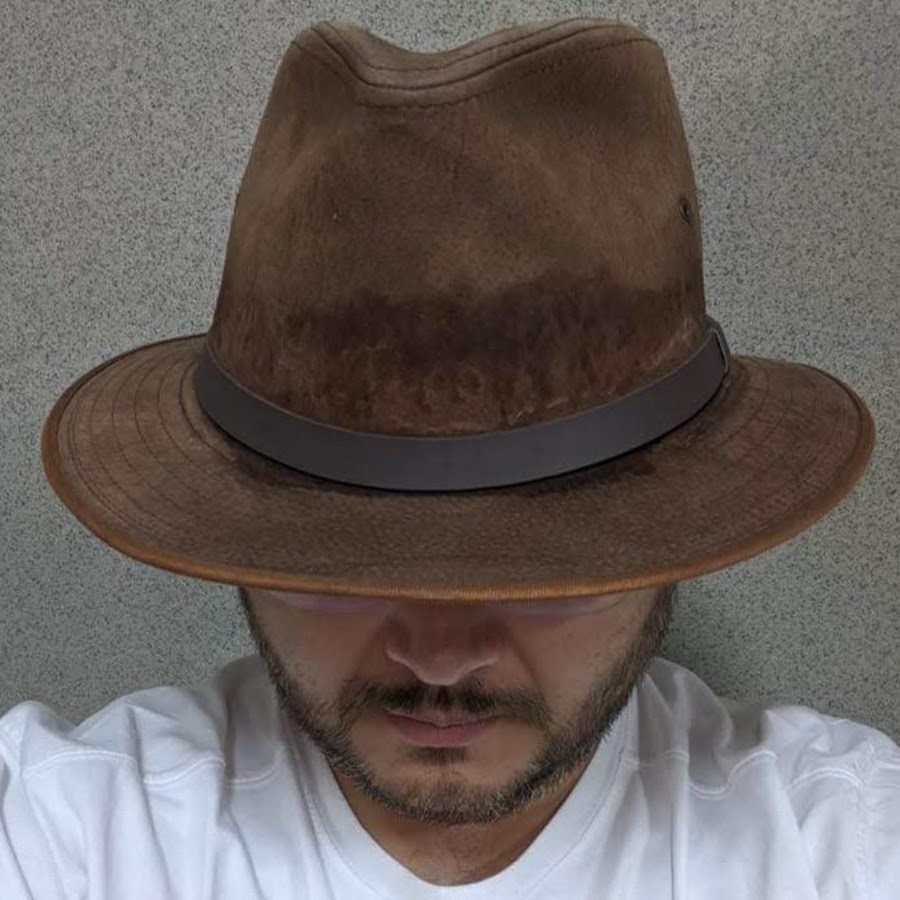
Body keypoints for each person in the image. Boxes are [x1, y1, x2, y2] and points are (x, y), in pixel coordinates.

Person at [4, 15, 897, 899]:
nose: (438, 658)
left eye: (548, 568)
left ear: (678, 540)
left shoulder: (842, 843)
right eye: (339, 563)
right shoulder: (67, 832)